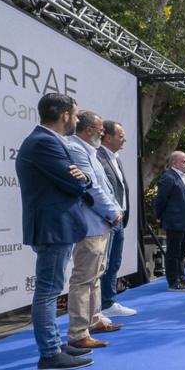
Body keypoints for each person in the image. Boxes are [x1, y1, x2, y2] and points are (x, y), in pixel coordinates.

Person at [15, 94, 95, 370]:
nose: (76, 120)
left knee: (51, 289)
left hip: (56, 226)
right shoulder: (44, 143)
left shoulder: (47, 142)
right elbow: (75, 184)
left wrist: (83, 178)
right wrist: (82, 180)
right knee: (48, 291)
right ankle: (49, 353)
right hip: (53, 227)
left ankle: (54, 345)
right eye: (74, 115)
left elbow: (81, 179)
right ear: (63, 115)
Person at [63, 111, 123, 351]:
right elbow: (93, 189)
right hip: (89, 224)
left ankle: (94, 320)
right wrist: (113, 212)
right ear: (89, 130)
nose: (102, 133)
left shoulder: (90, 150)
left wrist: (114, 211)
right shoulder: (76, 149)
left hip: (101, 223)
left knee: (95, 276)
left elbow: (104, 186)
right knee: (83, 278)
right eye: (100, 129)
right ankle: (78, 332)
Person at [96, 120, 136, 319]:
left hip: (119, 219)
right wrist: (111, 213)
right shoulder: (97, 156)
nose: (125, 139)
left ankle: (109, 302)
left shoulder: (116, 158)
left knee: (114, 263)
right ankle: (100, 305)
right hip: (107, 219)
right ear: (108, 137)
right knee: (103, 264)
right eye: (120, 136)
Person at [154, 151, 185, 291]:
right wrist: (159, 216)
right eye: (184, 161)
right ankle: (173, 282)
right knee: (173, 252)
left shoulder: (184, 176)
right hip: (174, 220)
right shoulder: (168, 177)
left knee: (182, 252)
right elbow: (161, 199)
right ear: (174, 163)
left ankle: (182, 278)